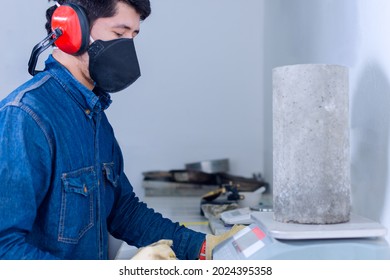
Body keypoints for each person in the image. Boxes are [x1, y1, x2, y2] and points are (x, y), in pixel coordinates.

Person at [0, 0, 242, 260]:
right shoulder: (25, 116)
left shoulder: (93, 114)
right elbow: (6, 249)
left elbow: (123, 211)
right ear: (72, 28)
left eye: (133, 36)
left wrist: (203, 247)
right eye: (119, 33)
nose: (126, 48)